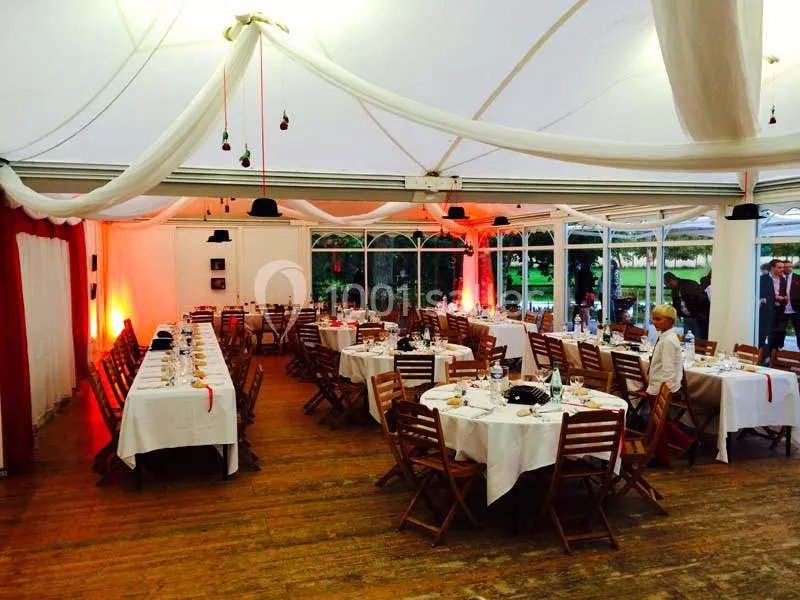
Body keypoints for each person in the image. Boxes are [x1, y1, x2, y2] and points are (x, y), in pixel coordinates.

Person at [647, 304, 696, 466]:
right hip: (657, 385)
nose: (654, 322)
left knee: (658, 424)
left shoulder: (668, 341)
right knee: (663, 422)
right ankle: (688, 443)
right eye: (653, 319)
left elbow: (668, 369)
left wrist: (664, 391)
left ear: (669, 321)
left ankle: (662, 457)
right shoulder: (665, 337)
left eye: (658, 319)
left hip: (660, 388)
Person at [663, 272, 709, 340]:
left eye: (666, 284)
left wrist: (698, 314)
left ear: (671, 280)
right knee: (688, 339)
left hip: (698, 318)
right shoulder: (674, 291)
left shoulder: (689, 285)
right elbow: (676, 304)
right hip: (687, 318)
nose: (667, 286)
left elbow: (701, 299)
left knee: (699, 340)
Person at [759, 259, 787, 357]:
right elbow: (760, 294)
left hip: (781, 311)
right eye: (779, 267)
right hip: (767, 310)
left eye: (783, 267)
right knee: (766, 333)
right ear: (772, 268)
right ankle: (764, 355)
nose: (782, 269)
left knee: (779, 334)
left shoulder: (784, 279)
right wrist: (773, 298)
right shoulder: (762, 279)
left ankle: (775, 355)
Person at [574, 260, 596, 326]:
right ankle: (586, 325)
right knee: (587, 310)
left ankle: (581, 325)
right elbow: (592, 284)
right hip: (588, 293)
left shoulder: (579, 273)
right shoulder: (590, 273)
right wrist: (594, 279)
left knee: (581, 310)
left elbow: (578, 283)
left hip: (580, 294)